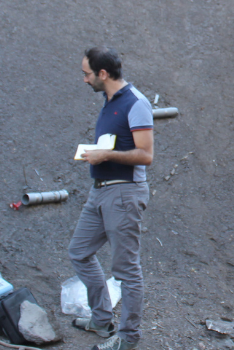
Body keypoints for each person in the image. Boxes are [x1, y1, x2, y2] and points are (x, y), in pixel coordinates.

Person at [69, 46, 153, 350]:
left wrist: (107, 154)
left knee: (126, 270)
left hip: (124, 193)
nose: (84, 79)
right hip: (100, 191)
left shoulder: (136, 103)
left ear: (103, 74)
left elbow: (147, 154)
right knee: (79, 252)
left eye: (87, 73)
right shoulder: (109, 102)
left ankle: (128, 338)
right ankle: (102, 320)